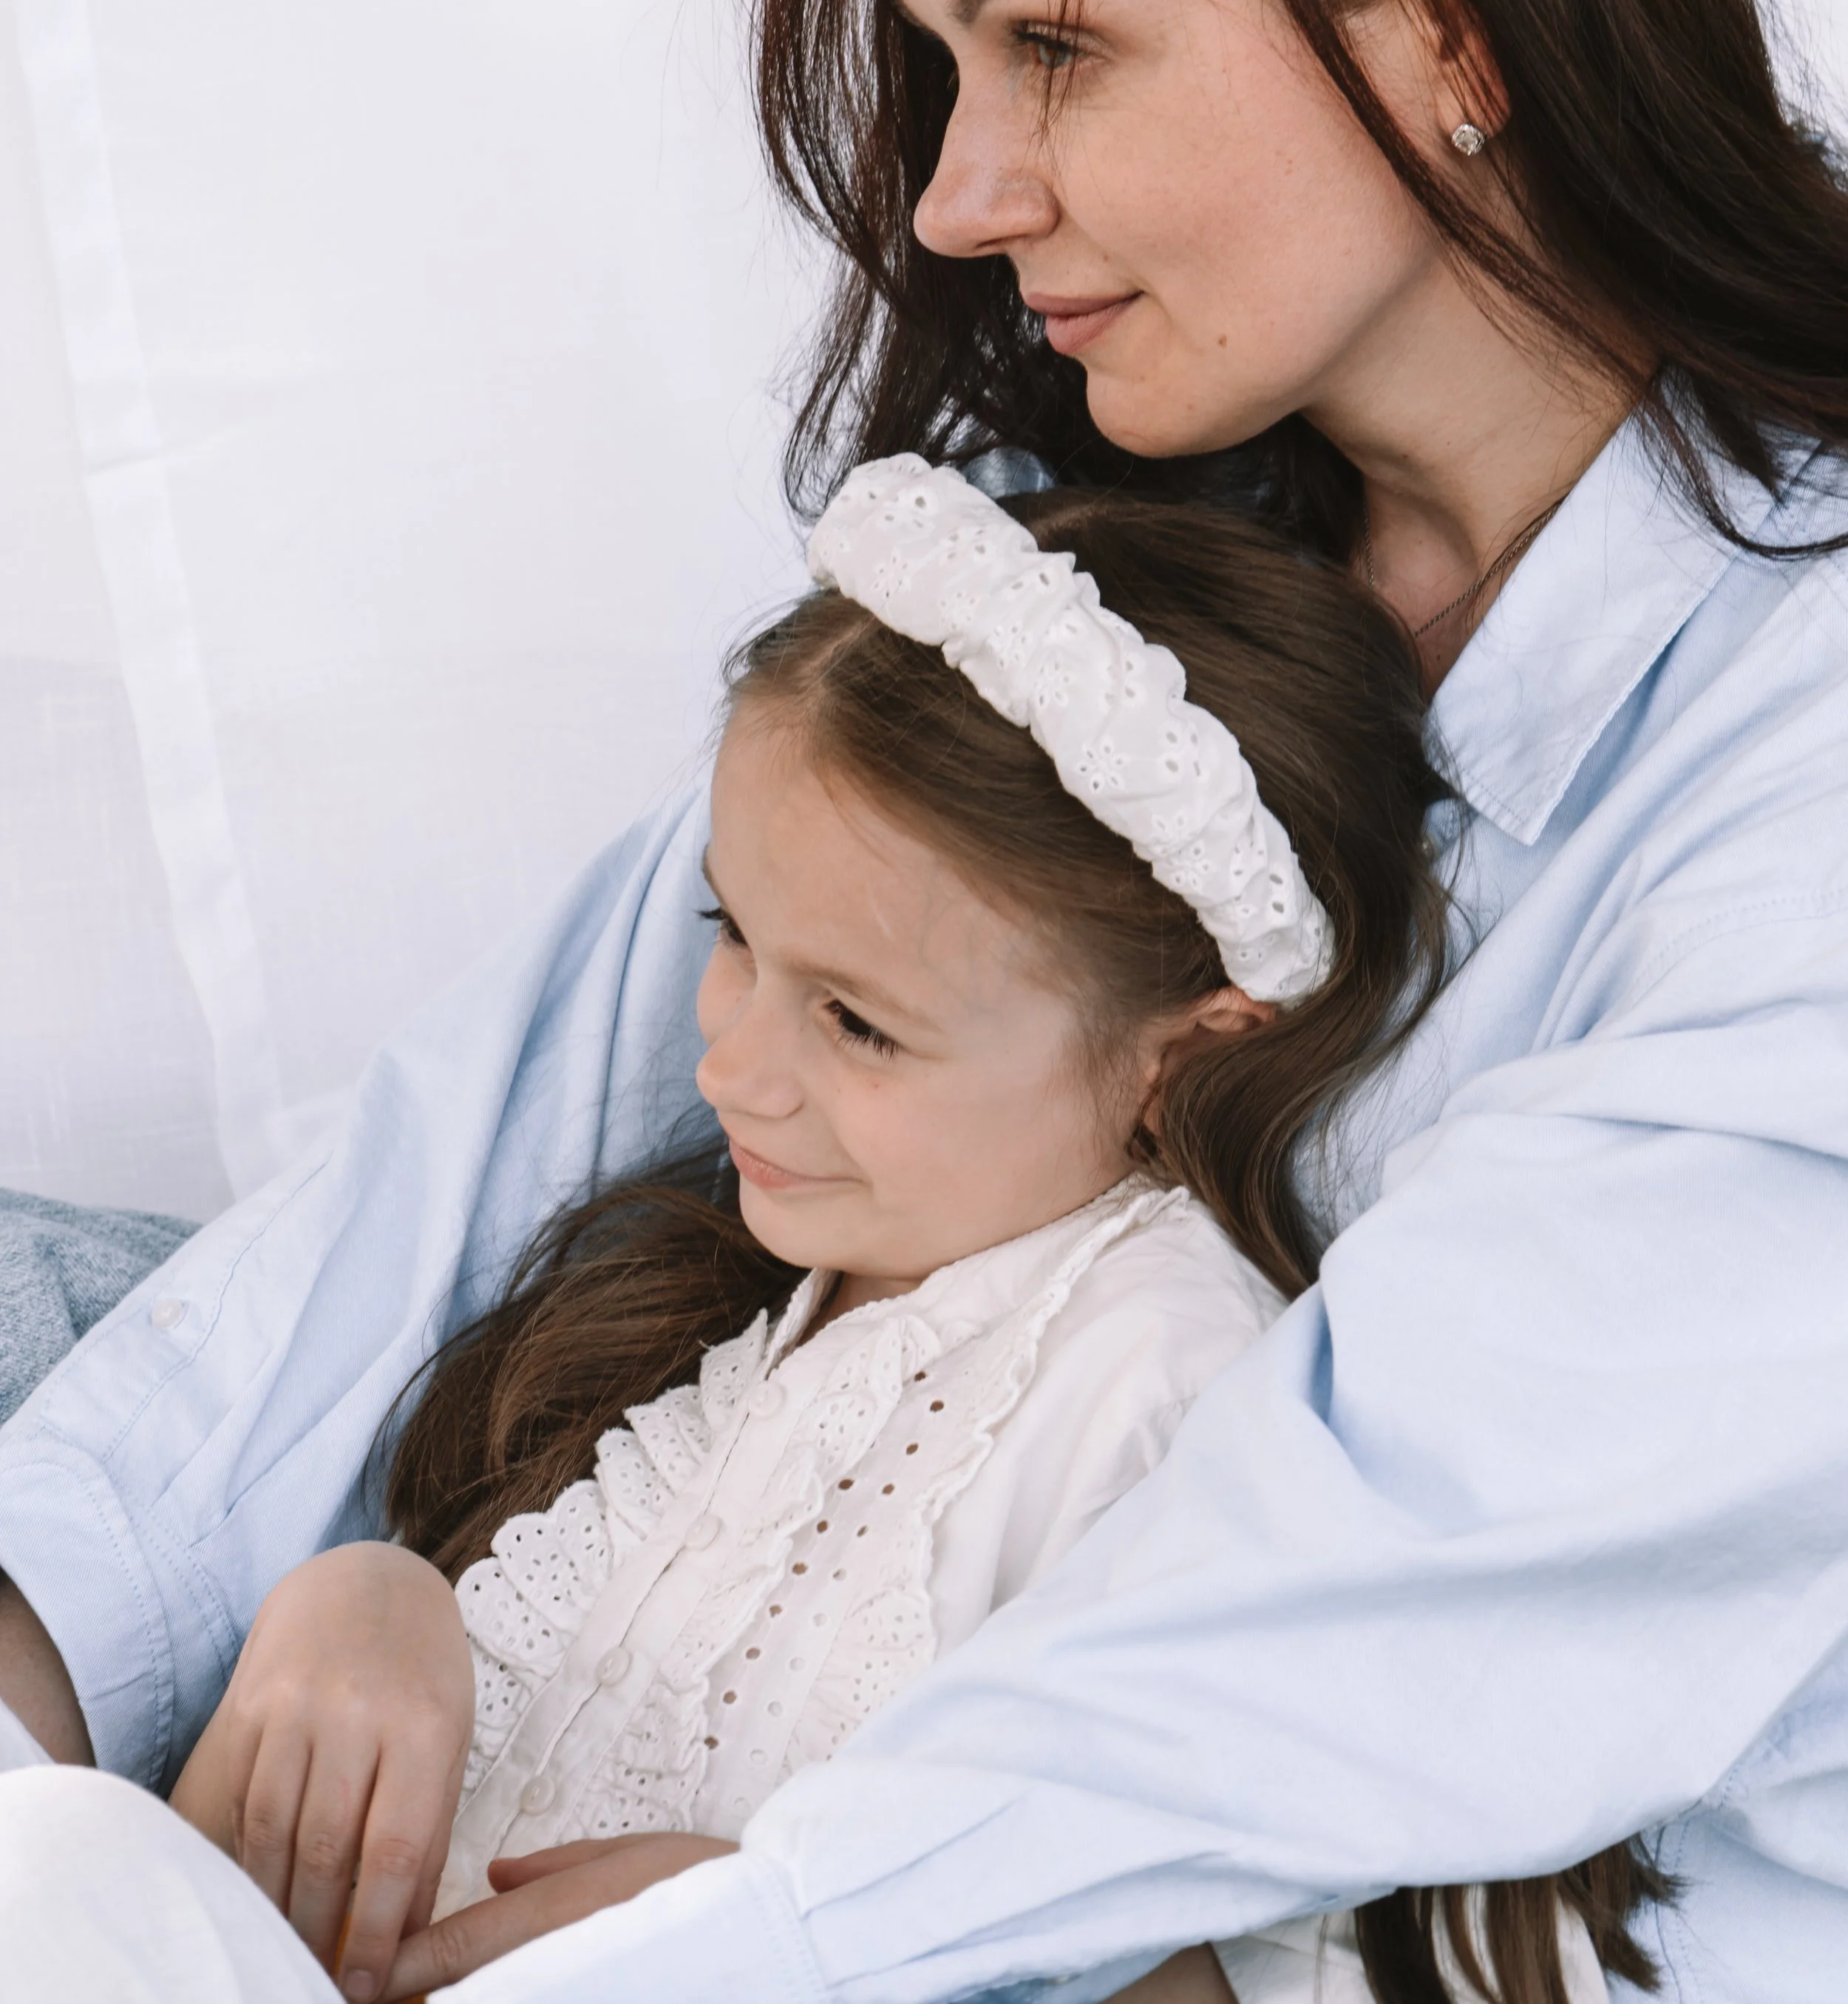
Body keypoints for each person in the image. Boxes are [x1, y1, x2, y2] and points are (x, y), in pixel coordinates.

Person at [4, 0, 1848, 2003]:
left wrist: (773, 1902)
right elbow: (511, 1125)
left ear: (1443, 11)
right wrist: (87, 1648)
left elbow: (1342, 1624)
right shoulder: (1085, 520)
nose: (962, 194)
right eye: (943, 67)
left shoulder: (1798, 763)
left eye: (1056, 48)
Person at [3, 464, 1617, 2004]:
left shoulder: (1158, 1375)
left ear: (1177, 1050)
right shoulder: (699, 1326)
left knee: (53, 1862)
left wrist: (751, 1931)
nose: (729, 1066)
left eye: (853, 1022)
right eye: (731, 936)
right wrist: (360, 1603)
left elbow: (1229, 1942)